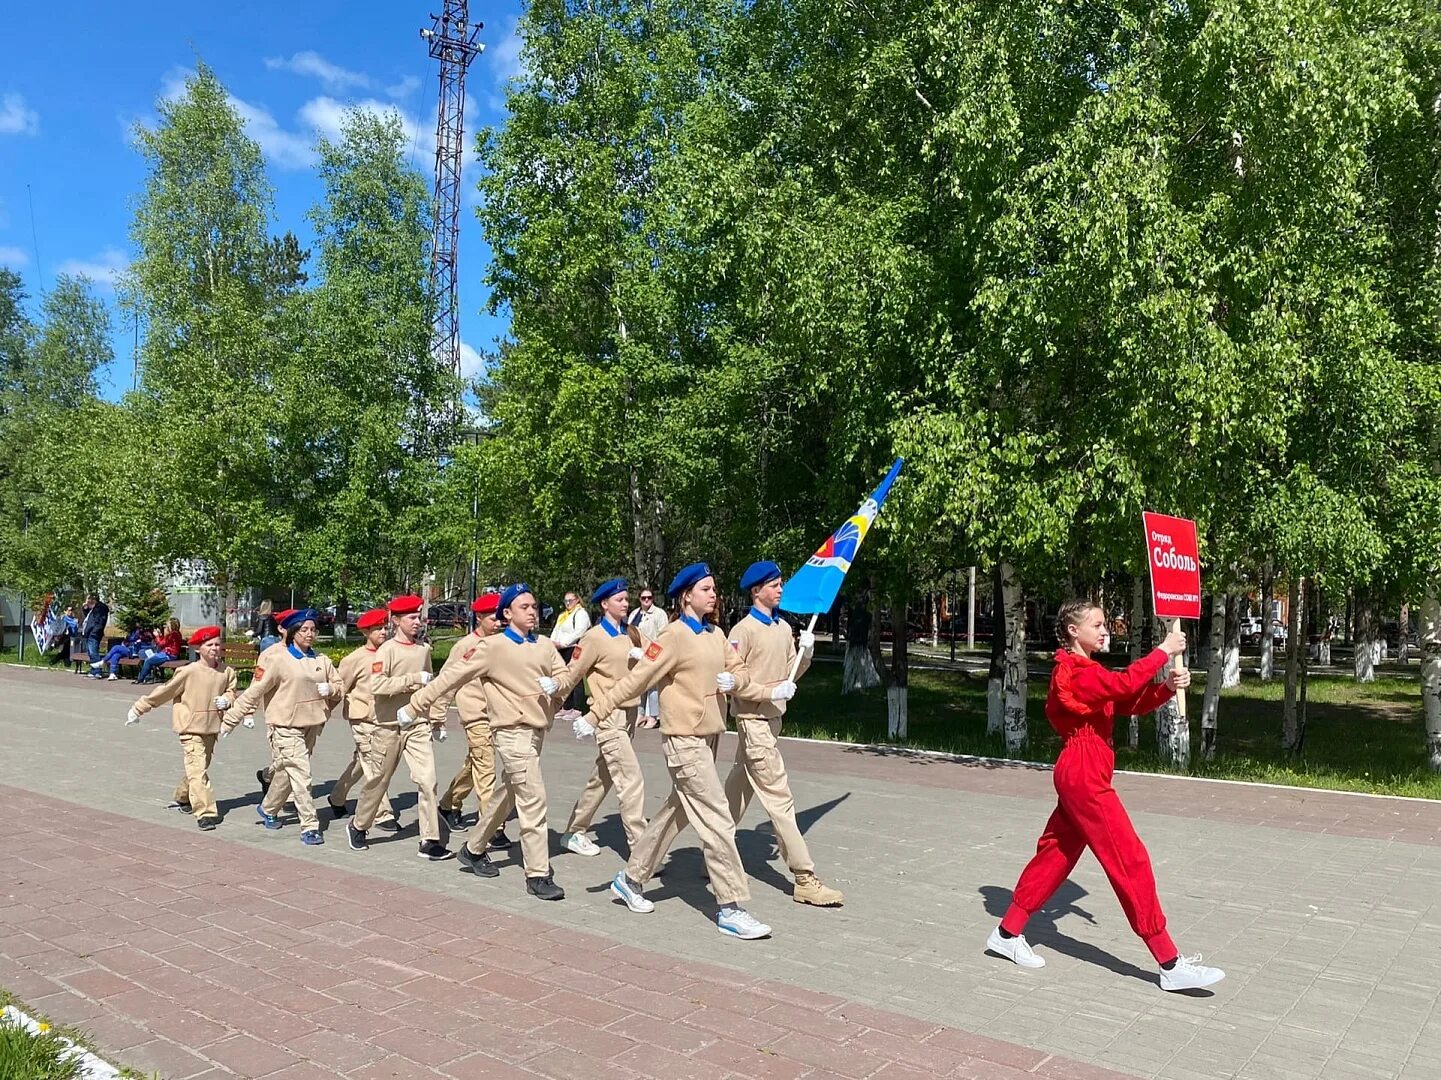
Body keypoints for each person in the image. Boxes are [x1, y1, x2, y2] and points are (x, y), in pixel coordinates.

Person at [985, 599, 1225, 992]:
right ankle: (1169, 962)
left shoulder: (1088, 671)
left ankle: (1008, 934)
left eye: (1103, 625)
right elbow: (1123, 684)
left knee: (1055, 855)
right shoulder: (1072, 672)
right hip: (1083, 773)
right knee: (1129, 857)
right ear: (1073, 631)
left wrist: (1164, 687)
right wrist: (1163, 651)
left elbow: (1127, 700)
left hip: (1084, 770)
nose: (1103, 630)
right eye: (1095, 624)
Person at [583, 562, 774, 940]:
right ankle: (731, 906)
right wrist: (595, 714)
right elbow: (637, 680)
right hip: (683, 740)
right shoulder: (671, 637)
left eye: (714, 588)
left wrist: (735, 679)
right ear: (687, 595)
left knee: (678, 812)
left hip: (710, 737)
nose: (713, 594)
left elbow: (744, 673)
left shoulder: (715, 634)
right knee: (718, 816)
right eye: (706, 589)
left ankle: (630, 879)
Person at [401, 584, 568, 900]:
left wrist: (556, 686)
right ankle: (538, 873)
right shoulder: (491, 648)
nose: (532, 611)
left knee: (511, 793)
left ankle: (474, 848)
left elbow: (566, 678)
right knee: (533, 799)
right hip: (510, 733)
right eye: (524, 607)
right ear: (507, 613)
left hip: (536, 733)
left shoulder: (545, 645)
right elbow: (450, 678)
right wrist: (414, 707)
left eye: (534, 605)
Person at [723, 561, 844, 907]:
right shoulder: (742, 631)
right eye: (773, 585)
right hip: (753, 721)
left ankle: (716, 852)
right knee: (780, 799)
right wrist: (768, 693)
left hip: (772, 723)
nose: (780, 590)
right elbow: (735, 680)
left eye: (780, 584)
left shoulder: (782, 629)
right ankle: (804, 877)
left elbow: (792, 673)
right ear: (755, 591)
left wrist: (806, 651)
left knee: (737, 791)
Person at [346, 595, 452, 862]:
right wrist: (412, 680)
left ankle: (429, 839)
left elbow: (433, 689)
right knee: (379, 781)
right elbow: (378, 687)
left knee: (428, 781)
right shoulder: (387, 651)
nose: (417, 622)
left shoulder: (423, 650)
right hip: (388, 725)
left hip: (417, 724)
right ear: (396, 621)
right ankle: (359, 825)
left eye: (419, 617)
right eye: (411, 618)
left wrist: (437, 719)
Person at [553, 577, 648, 857]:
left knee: (603, 777)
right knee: (630, 780)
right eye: (619, 599)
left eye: (626, 598)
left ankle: (574, 831)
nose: (625, 603)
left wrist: (645, 653)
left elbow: (660, 652)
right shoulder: (593, 638)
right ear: (604, 604)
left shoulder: (632, 632)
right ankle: (641, 851)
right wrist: (553, 695)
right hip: (607, 715)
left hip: (630, 714)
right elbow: (573, 674)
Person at [232, 608, 343, 846]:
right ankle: (310, 826)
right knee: (302, 774)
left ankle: (269, 808)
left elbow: (339, 685)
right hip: (284, 724)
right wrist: (237, 716)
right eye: (304, 630)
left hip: (312, 722)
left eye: (313, 629)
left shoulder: (321, 660)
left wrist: (331, 689)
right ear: (292, 632)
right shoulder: (277, 658)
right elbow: (256, 689)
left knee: (285, 770)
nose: (310, 634)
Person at [124, 626, 242, 831]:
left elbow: (232, 691)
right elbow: (164, 691)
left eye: (217, 644)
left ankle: (182, 797)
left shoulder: (226, 671)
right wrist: (139, 708)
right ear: (198, 648)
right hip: (190, 728)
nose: (214, 648)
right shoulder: (188, 672)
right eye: (209, 645)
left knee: (198, 768)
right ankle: (205, 812)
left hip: (211, 727)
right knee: (197, 770)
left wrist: (227, 699)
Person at [436, 594, 512, 851]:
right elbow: (447, 680)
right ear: (479, 617)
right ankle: (492, 828)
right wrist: (438, 714)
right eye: (494, 618)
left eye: (502, 617)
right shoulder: (465, 646)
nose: (500, 622)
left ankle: (448, 804)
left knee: (475, 765)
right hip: (476, 715)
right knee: (486, 770)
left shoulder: (503, 644)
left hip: (500, 715)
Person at [325, 608, 399, 831]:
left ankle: (337, 796)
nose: (384, 632)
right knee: (373, 765)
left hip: (385, 718)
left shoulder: (390, 653)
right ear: (366, 632)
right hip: (362, 719)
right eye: (378, 629)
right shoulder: (354, 659)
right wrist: (324, 713)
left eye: (385, 628)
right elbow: (340, 688)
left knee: (362, 763)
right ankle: (382, 812)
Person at [628, 586, 667, 727]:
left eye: (649, 597)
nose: (646, 600)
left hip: (652, 652)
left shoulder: (659, 614)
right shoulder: (634, 614)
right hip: (637, 653)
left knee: (652, 686)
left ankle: (653, 716)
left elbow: (663, 635)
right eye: (643, 598)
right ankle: (641, 713)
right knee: (640, 683)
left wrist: (653, 652)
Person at [548, 590, 591, 711]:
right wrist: (552, 643)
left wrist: (563, 643)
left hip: (573, 648)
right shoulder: (563, 615)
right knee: (564, 676)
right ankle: (566, 705)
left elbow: (579, 632)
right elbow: (557, 630)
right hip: (561, 649)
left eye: (570, 600)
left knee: (575, 677)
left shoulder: (581, 613)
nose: (567, 603)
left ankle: (577, 707)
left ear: (577, 600)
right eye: (565, 601)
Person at [135, 617, 184, 683]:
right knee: (146, 656)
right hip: (166, 653)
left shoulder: (173, 634)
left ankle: (141, 679)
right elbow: (164, 642)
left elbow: (161, 644)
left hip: (169, 655)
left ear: (172, 625)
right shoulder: (174, 634)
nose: (166, 627)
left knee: (148, 660)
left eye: (167, 625)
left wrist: (157, 636)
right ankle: (147, 677)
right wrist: (160, 635)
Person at [79, 594, 109, 671]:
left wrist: (94, 632)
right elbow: (89, 617)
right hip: (89, 633)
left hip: (94, 634)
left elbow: (99, 622)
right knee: (90, 653)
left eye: (88, 600)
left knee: (93, 653)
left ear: (93, 600)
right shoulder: (94, 609)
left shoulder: (100, 608)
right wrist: (85, 608)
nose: (87, 602)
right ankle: (94, 670)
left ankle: (97, 672)